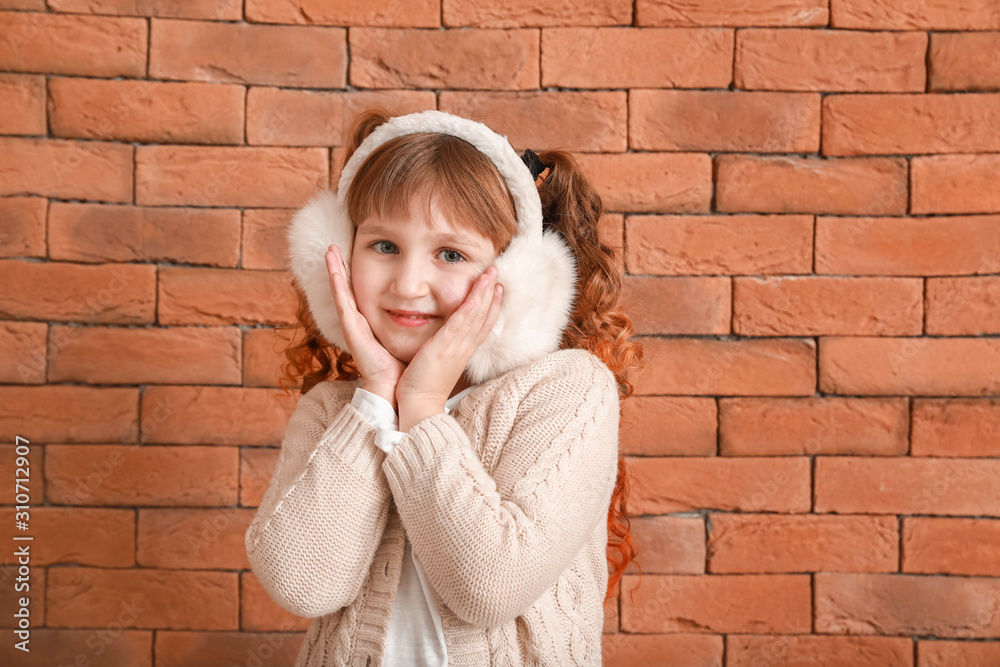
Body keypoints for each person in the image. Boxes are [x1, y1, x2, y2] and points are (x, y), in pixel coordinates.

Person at [246, 108, 645, 666]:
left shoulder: (568, 391)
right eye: (383, 245)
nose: (408, 284)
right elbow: (303, 584)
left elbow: (490, 587)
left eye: (451, 254)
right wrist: (377, 395)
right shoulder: (335, 411)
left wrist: (424, 405)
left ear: (517, 279)